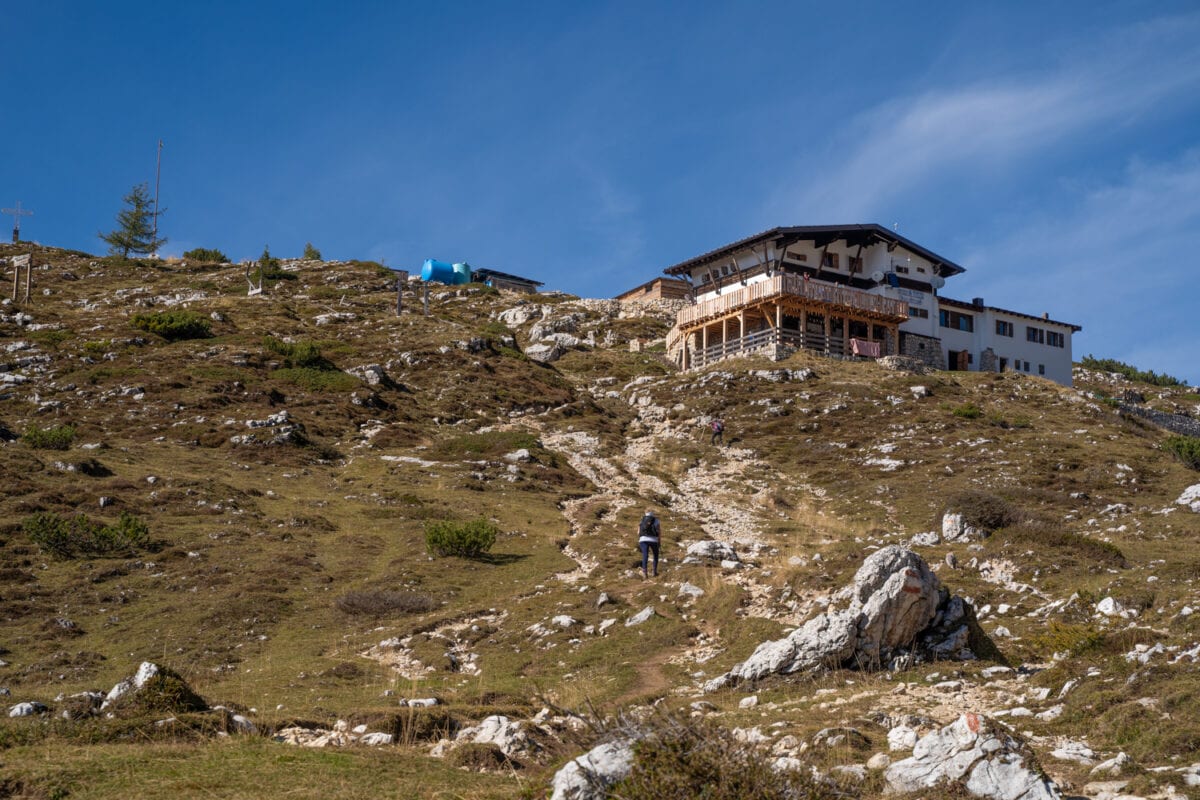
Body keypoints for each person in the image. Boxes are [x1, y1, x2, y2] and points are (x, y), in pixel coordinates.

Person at [637, 509, 661, 578]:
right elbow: (659, 532)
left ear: (645, 512)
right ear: (653, 513)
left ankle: (644, 572)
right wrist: (659, 541)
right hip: (654, 540)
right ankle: (654, 572)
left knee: (645, 555)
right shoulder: (656, 520)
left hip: (643, 540)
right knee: (655, 555)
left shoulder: (642, 520)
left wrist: (642, 537)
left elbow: (638, 532)